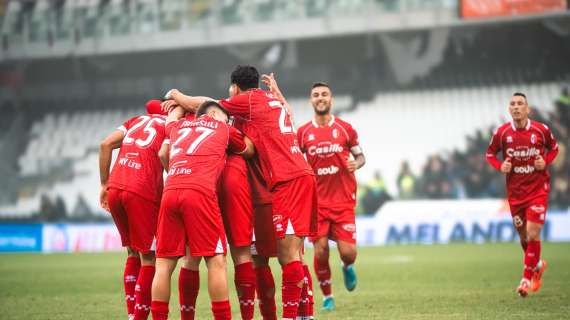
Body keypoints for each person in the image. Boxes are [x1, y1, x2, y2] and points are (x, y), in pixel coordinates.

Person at [162, 65, 318, 320]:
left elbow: (210, 107)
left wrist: (175, 95)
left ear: (235, 87)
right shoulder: (270, 102)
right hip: (290, 178)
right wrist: (278, 94)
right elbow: (286, 116)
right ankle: (304, 314)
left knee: (280, 256)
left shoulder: (247, 103)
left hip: (277, 184)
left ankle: (295, 316)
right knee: (292, 255)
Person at [150, 101, 254, 320]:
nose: (227, 122)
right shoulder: (224, 129)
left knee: (163, 265)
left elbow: (164, 144)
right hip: (200, 193)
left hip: (171, 191)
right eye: (225, 118)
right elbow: (249, 148)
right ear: (215, 114)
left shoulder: (178, 127)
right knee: (216, 261)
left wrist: (177, 104)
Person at [297, 82, 365, 311]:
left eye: (324, 94)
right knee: (321, 249)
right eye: (316, 95)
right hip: (316, 202)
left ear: (331, 99)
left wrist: (356, 163)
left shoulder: (346, 129)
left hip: (343, 200)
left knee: (348, 253)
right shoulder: (303, 132)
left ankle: (347, 267)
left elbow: (361, 157)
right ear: (311, 100)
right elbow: (296, 160)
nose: (320, 98)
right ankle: (328, 296)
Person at [486, 92, 559, 297]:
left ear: (527, 109)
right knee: (524, 238)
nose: (516, 107)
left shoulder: (541, 130)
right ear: (509, 110)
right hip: (516, 193)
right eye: (513, 104)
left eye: (520, 104)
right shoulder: (502, 133)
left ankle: (525, 279)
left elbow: (554, 149)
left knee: (533, 231)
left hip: (538, 190)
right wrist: (501, 166)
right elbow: (489, 153)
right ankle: (537, 265)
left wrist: (545, 162)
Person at [99, 99, 167, 320]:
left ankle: (132, 314)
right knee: (150, 257)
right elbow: (167, 157)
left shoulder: (136, 121)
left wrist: (103, 184)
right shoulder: (171, 125)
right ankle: (139, 317)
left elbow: (105, 144)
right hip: (140, 190)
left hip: (116, 186)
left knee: (131, 251)